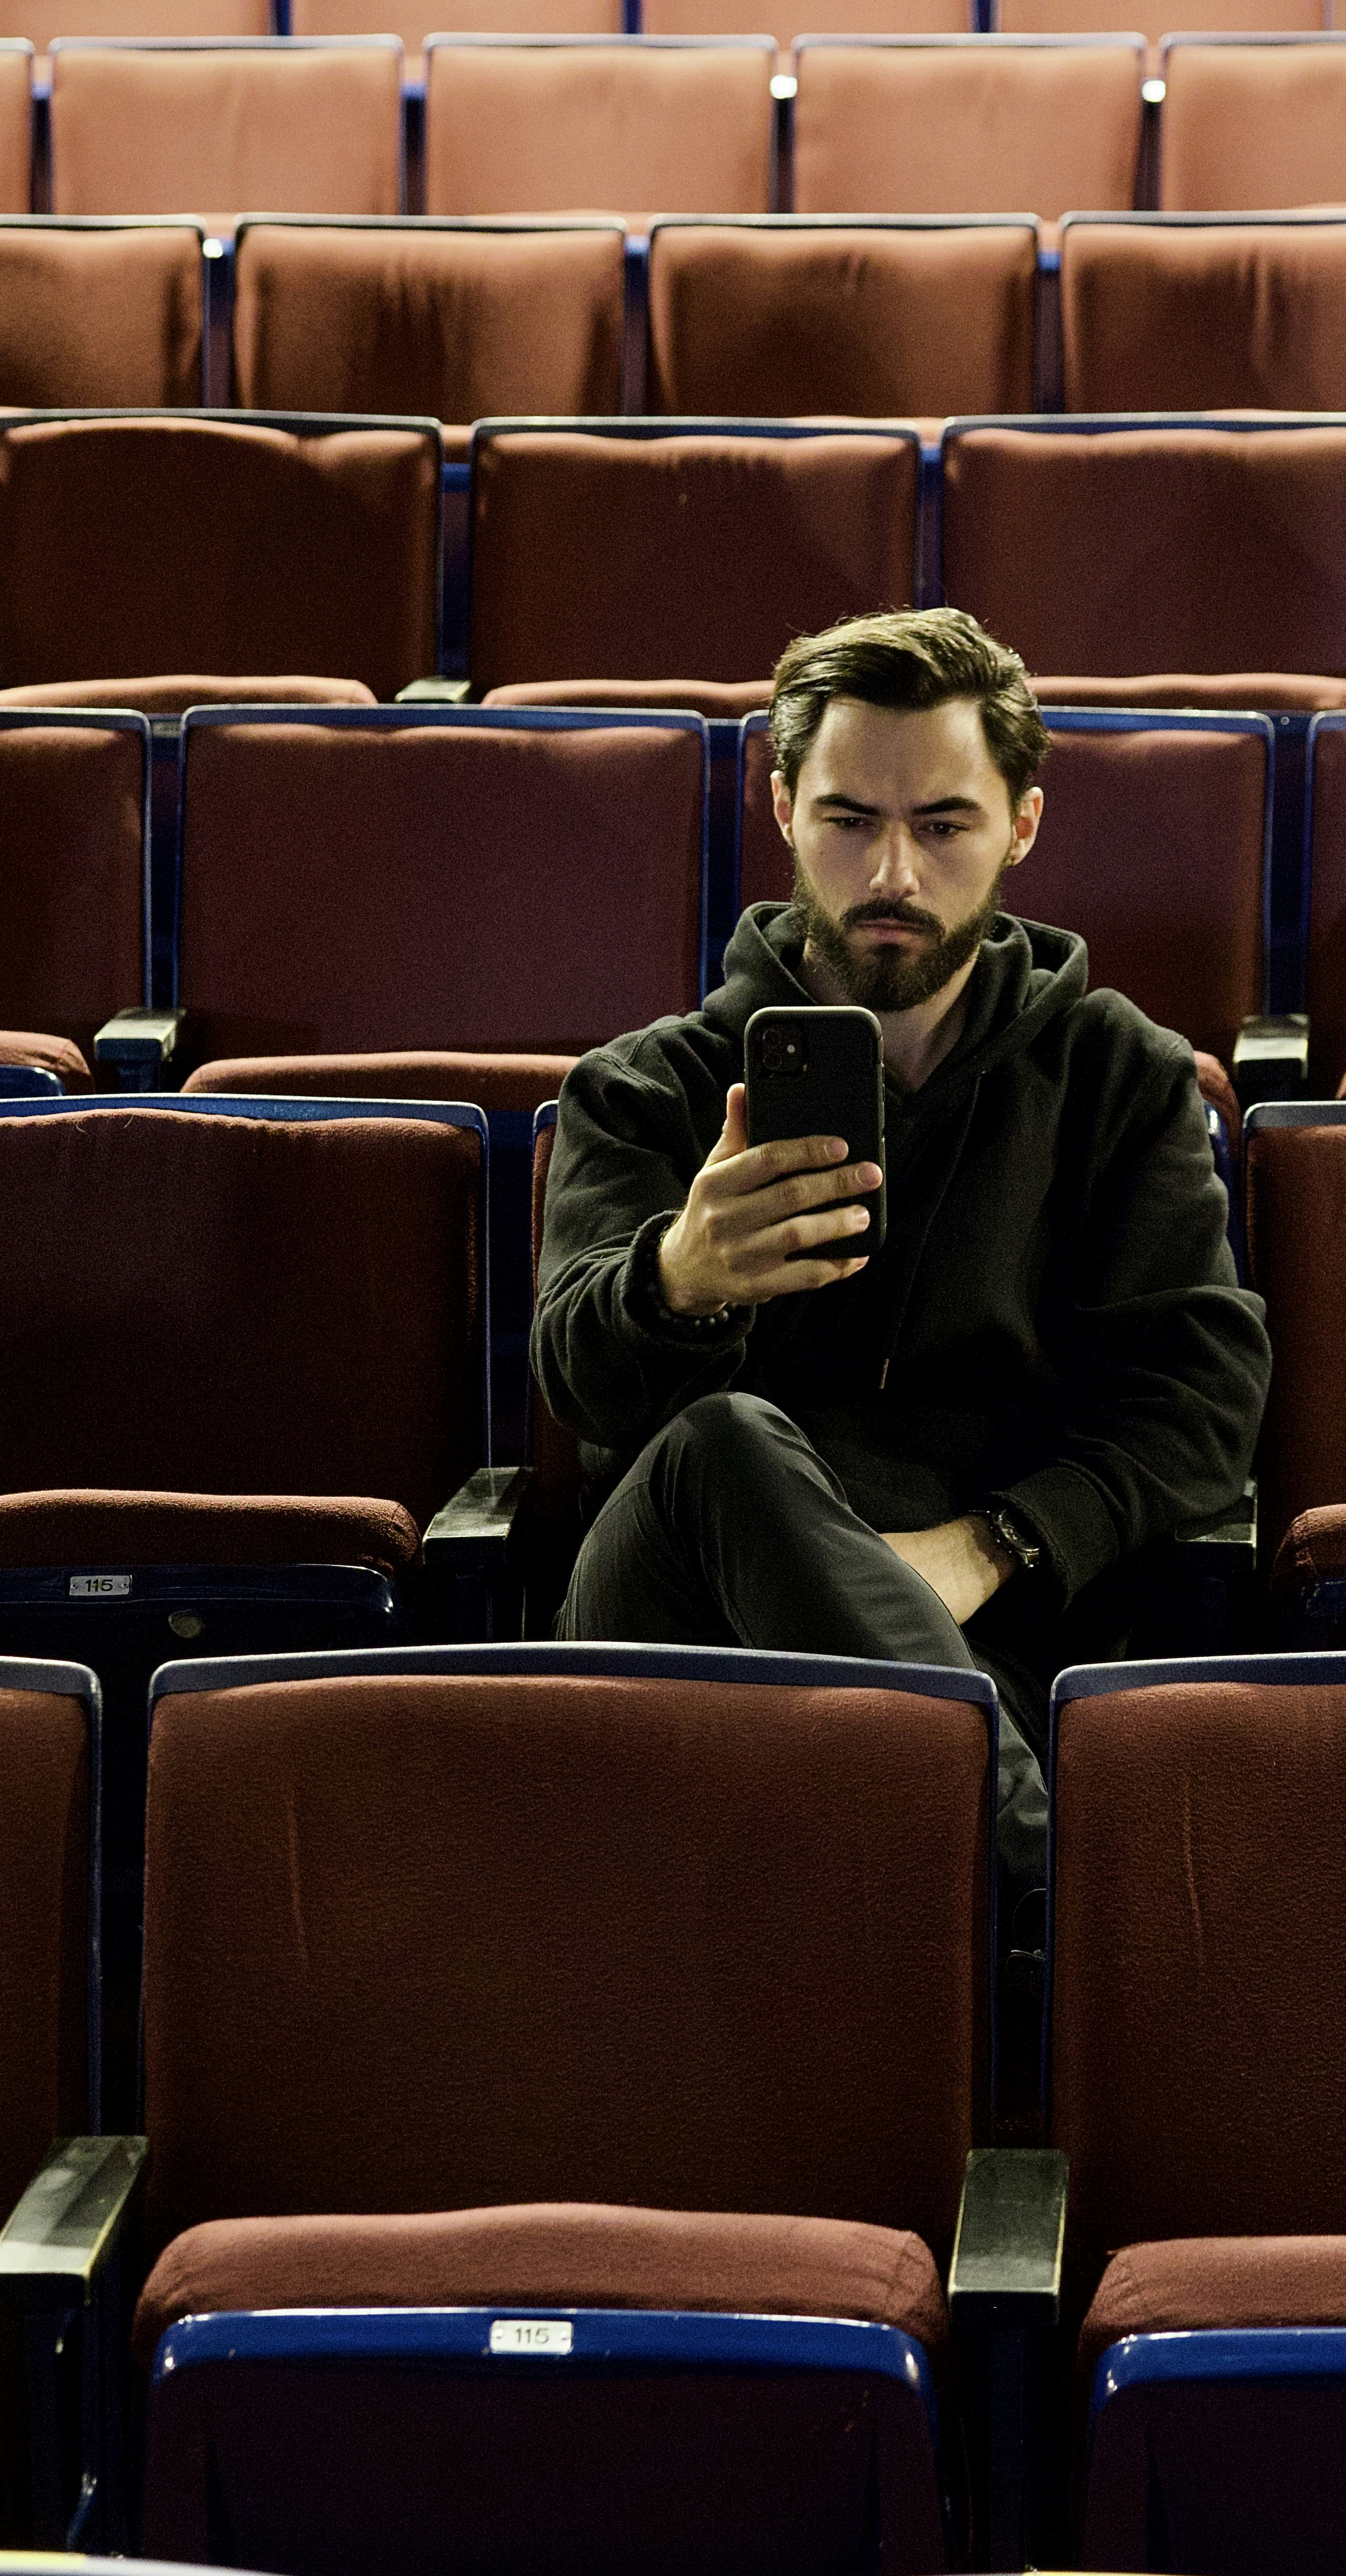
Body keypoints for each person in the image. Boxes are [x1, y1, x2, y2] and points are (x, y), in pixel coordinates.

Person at [531, 607, 1271, 1886]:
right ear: (780, 808)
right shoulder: (650, 1086)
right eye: (849, 820)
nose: (892, 875)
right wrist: (676, 1282)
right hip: (678, 1625)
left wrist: (991, 1545)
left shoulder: (1117, 1077)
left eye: (942, 824)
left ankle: (1020, 1893)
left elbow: (1202, 1397)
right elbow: (572, 1381)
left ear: (1021, 826)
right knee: (724, 1442)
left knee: (927, 1678)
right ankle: (1065, 1907)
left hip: (984, 1631)